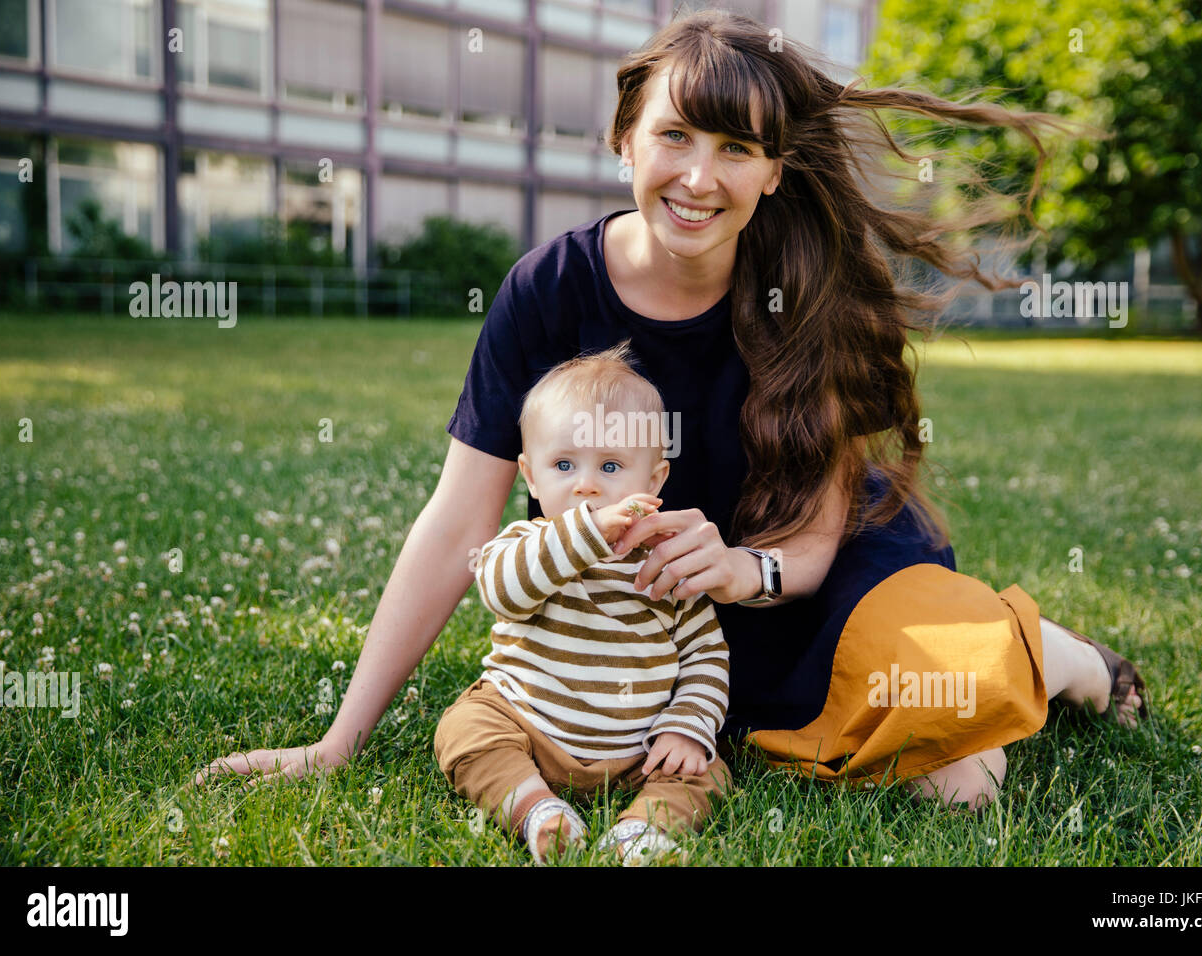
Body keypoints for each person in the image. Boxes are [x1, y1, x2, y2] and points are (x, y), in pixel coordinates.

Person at [196, 8, 1148, 815]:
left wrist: (740, 567)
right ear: (624, 142)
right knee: (944, 772)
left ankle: (1075, 663)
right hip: (653, 629)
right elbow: (457, 524)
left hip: (804, 583)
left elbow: (815, 542)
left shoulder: (802, 295)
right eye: (675, 137)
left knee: (966, 780)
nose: (700, 178)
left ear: (773, 173)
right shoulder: (548, 289)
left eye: (737, 150)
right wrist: (336, 742)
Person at [433, 342, 731, 864]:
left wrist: (686, 725)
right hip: (528, 725)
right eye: (564, 464)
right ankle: (536, 809)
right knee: (464, 727)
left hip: (637, 750)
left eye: (611, 466)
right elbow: (503, 589)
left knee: (707, 770)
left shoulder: (667, 561)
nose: (586, 486)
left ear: (655, 479)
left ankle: (644, 831)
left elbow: (706, 657)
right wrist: (582, 538)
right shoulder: (525, 542)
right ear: (530, 475)